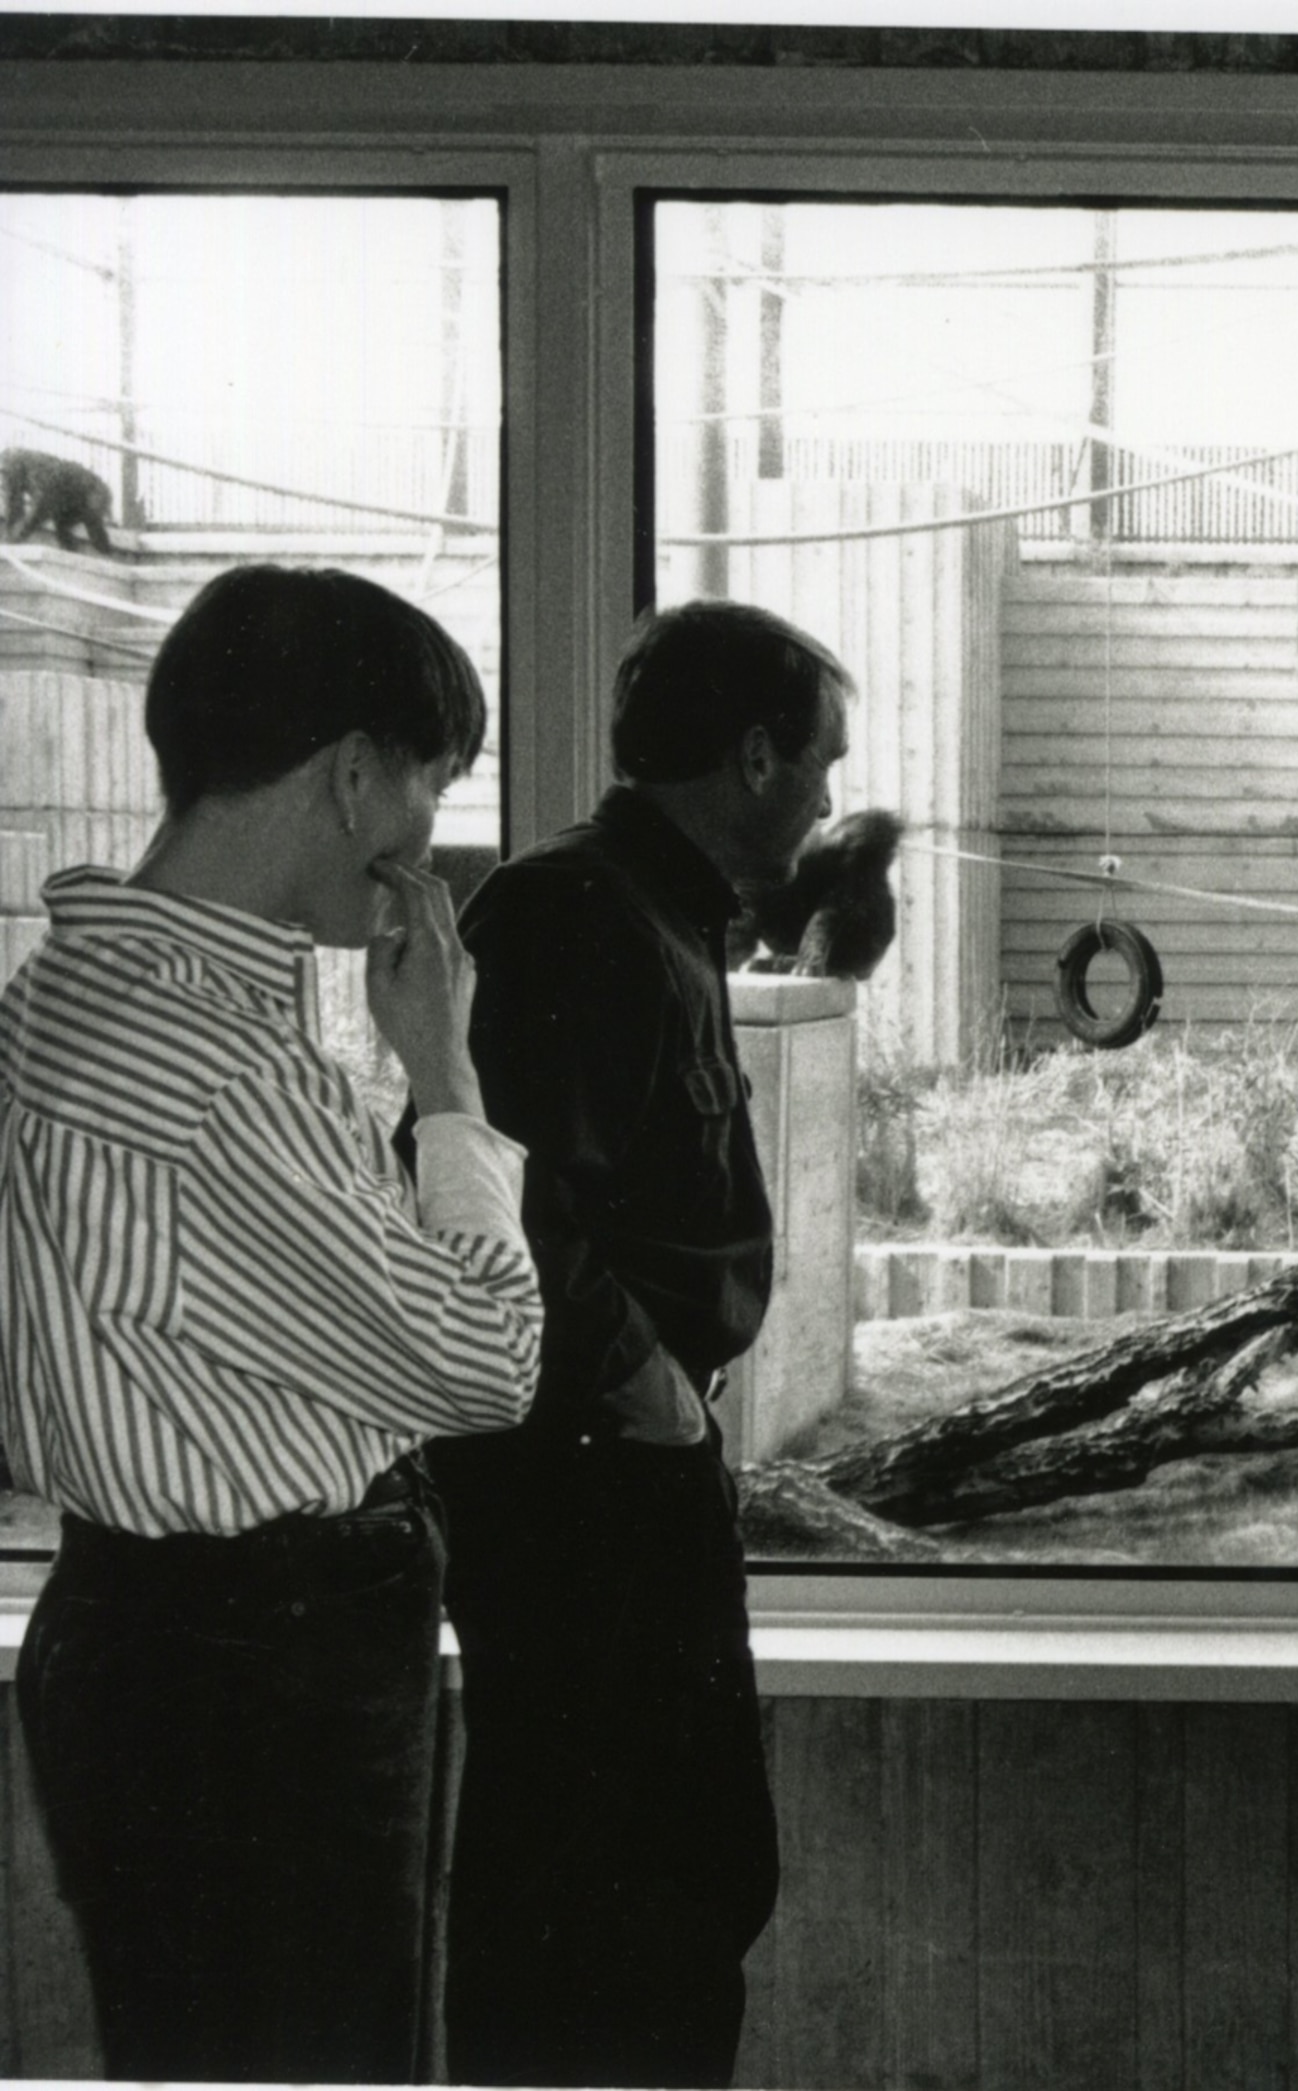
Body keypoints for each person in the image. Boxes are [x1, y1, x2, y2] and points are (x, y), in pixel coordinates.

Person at [0, 563, 541, 2083]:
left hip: (142, 1630)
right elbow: (486, 1360)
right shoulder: (218, 1067)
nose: (427, 830)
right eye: (430, 783)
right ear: (355, 775)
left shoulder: (57, 993)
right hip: (259, 1671)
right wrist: (445, 1077)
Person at [424, 597, 851, 2089]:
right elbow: (500, 1194)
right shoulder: (573, 913)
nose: (826, 799)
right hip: (584, 1489)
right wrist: (649, 1385)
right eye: (820, 763)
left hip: (628, 1474)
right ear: (754, 756)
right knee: (601, 1917)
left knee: (683, 1883)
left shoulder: (655, 913)